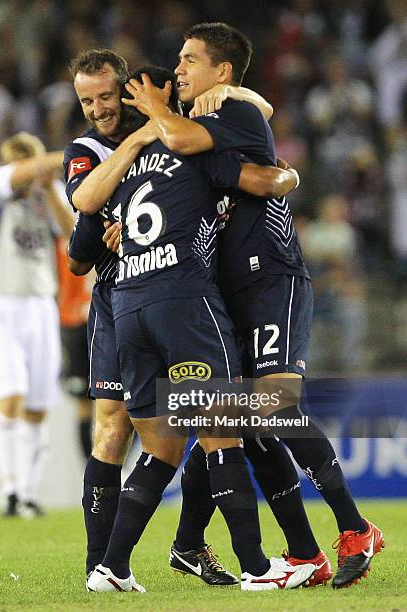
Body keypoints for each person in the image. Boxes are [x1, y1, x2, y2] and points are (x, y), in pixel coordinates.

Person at [122, 21, 384, 589]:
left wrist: (156, 111)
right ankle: (297, 552)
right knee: (229, 419)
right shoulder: (208, 123)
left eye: (191, 59)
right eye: (179, 57)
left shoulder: (224, 116)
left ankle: (354, 527)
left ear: (222, 71)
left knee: (269, 406)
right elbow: (237, 166)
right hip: (226, 291)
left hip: (272, 278)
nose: (180, 67)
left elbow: (193, 137)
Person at [79, 64, 315, 593]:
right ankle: (256, 567)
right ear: (169, 97)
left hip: (128, 306)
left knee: (161, 449)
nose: (189, 83)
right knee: (221, 434)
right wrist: (289, 174)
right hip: (185, 303)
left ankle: (110, 568)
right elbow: (260, 179)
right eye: (180, 78)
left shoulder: (127, 163)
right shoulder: (193, 148)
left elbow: (81, 233)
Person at [0, 132, 75, 517]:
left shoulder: (48, 191)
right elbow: (10, 178)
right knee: (9, 395)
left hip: (41, 306)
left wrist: (49, 188)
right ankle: (11, 489)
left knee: (38, 404)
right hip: (1, 306)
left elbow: (70, 233)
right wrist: (65, 156)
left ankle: (28, 494)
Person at [57, 241, 95, 459]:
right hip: (73, 321)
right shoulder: (57, 221)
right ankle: (94, 478)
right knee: (84, 402)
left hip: (107, 315)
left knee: (121, 402)